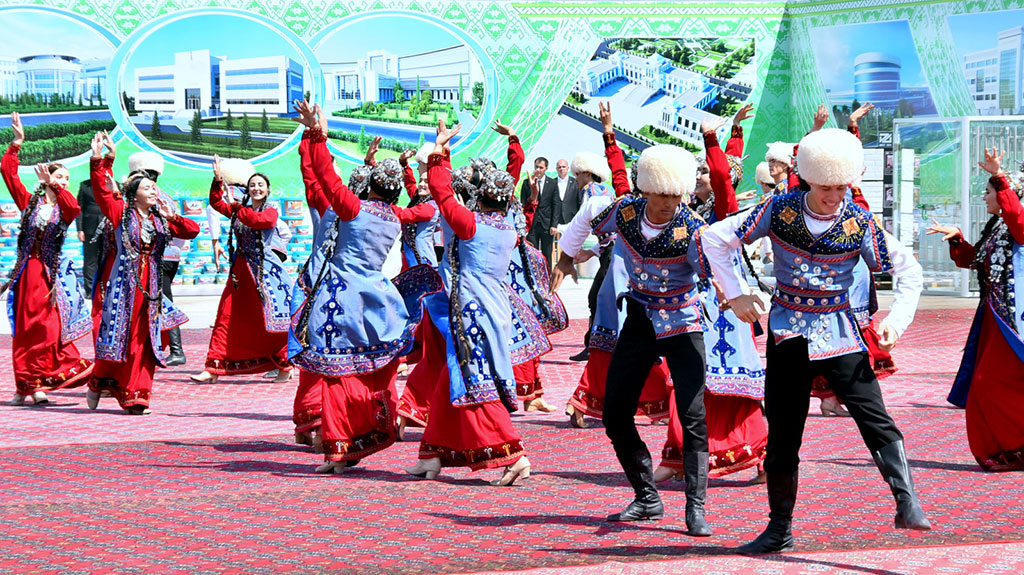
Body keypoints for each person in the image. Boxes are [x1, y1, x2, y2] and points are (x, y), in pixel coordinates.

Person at [702, 127, 929, 555]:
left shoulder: (858, 222)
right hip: (788, 334)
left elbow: (909, 271)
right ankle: (779, 528)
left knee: (874, 415)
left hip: (841, 333)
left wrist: (896, 323)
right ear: (808, 177)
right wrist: (736, 293)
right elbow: (714, 237)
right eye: (826, 187)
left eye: (842, 187)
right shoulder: (778, 209)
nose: (834, 196)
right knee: (785, 434)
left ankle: (906, 499)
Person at [553, 139, 714, 536]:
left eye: (675, 195)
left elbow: (716, 268)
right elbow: (587, 216)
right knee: (614, 413)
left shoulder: (694, 229)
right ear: (646, 189)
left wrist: (733, 293)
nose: (669, 203)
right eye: (661, 194)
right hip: (639, 319)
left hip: (683, 324)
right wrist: (566, 256)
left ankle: (696, 508)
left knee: (692, 416)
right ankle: (646, 496)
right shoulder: (624, 211)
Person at [292, 102, 441, 472]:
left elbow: (325, 177)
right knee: (371, 369)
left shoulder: (353, 209)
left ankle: (339, 446)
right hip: (377, 298)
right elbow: (423, 209)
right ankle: (365, 431)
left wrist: (316, 135)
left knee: (335, 372)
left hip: (340, 298)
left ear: (370, 186)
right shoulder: (395, 215)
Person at [405, 119, 534, 486]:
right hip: (494, 307)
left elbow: (441, 192)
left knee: (473, 380)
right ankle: (432, 453)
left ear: (479, 197)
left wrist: (439, 152)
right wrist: (513, 146)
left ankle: (513, 454)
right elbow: (453, 193)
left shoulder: (470, 224)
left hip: (470, 311)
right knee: (452, 378)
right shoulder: (507, 227)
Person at [656, 110, 768, 485]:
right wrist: (733, 132)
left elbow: (723, 174)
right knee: (686, 378)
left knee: (727, 383)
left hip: (724, 307)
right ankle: (677, 455)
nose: (700, 175)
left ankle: (759, 453)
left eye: (703, 171)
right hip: (694, 302)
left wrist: (711, 138)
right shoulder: (694, 211)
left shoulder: (725, 211)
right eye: (699, 171)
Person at [927, 147, 1024, 472]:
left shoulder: (1017, 225)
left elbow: (1017, 217)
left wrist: (998, 175)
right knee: (987, 386)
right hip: (993, 319)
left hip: (1013, 321)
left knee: (988, 384)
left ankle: (1014, 447)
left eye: (988, 192)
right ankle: (1010, 449)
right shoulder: (998, 229)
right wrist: (957, 239)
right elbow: (975, 261)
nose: (984, 198)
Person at [88, 132, 199, 414]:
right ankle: (100, 380)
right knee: (119, 337)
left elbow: (192, 230)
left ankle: (137, 396)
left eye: (154, 187)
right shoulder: (121, 213)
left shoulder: (161, 218)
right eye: (147, 187)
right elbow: (102, 190)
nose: (153, 191)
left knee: (146, 340)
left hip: (152, 287)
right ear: (134, 192)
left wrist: (172, 217)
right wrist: (103, 158)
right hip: (125, 285)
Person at [1, 112, 94, 405]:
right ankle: (25, 386)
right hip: (27, 272)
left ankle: (39, 381)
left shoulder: (65, 206)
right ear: (46, 177)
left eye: (66, 178)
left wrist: (54, 186)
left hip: (51, 276)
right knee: (25, 330)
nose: (64, 181)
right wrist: (17, 143)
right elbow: (8, 173)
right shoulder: (30, 203)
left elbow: (74, 208)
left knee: (48, 329)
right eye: (59, 176)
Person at [189, 157, 294, 384]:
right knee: (225, 316)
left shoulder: (271, 211)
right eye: (252, 185)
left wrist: (236, 207)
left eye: (260, 185)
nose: (256, 188)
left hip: (265, 273)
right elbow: (216, 204)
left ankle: (284, 365)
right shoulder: (240, 209)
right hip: (240, 273)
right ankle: (213, 368)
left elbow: (259, 222)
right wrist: (218, 181)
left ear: (267, 190)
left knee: (271, 321)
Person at [125, 151, 189, 367]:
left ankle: (176, 349)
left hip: (156, 257)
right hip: (168, 255)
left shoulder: (147, 198)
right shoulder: (163, 196)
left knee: (162, 300)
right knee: (160, 300)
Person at [566, 147, 614, 363]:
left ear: (586, 173)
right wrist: (591, 252)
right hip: (610, 251)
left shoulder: (590, 191)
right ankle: (595, 344)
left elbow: (583, 222)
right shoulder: (605, 191)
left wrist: (568, 242)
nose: (576, 179)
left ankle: (597, 345)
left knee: (598, 297)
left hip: (611, 254)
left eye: (577, 174)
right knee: (599, 297)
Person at [521, 156, 558, 264]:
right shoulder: (526, 183)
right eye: (536, 167)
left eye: (541, 168)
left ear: (546, 168)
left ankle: (548, 274)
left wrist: (554, 225)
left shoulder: (552, 183)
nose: (538, 170)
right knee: (532, 254)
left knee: (547, 254)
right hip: (532, 225)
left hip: (546, 225)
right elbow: (523, 204)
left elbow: (556, 204)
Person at [76, 166, 104, 298]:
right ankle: (90, 290)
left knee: (105, 258)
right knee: (90, 259)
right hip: (89, 228)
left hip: (107, 228)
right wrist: (80, 229)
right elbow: (79, 209)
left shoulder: (113, 185)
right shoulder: (85, 185)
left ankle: (104, 288)